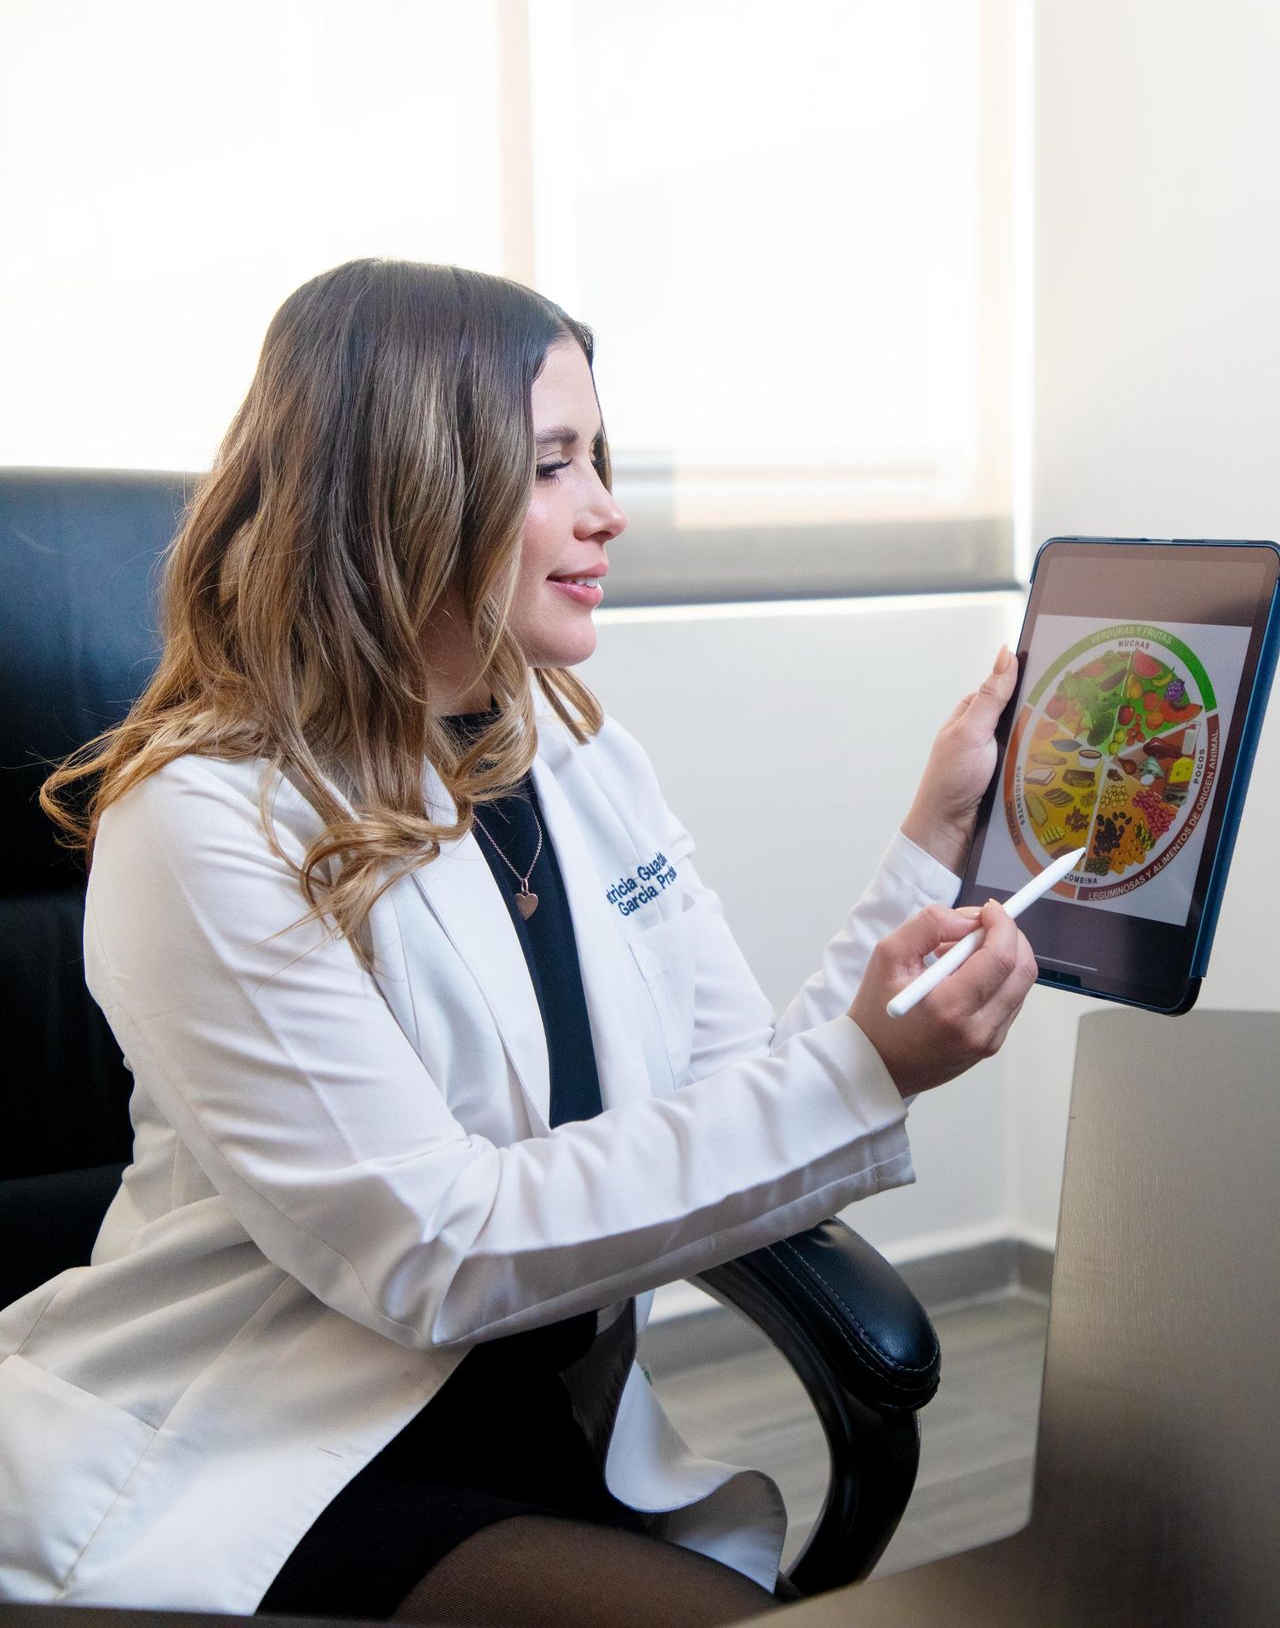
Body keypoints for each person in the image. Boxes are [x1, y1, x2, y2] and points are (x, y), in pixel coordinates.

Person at [0, 259, 1037, 1627]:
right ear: (404, 486)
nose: (608, 509)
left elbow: (738, 1087)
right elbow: (433, 1251)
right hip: (288, 1451)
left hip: (545, 1418)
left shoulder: (569, 753)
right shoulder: (201, 820)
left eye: (595, 458)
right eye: (552, 465)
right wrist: (867, 1072)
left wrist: (931, 841)